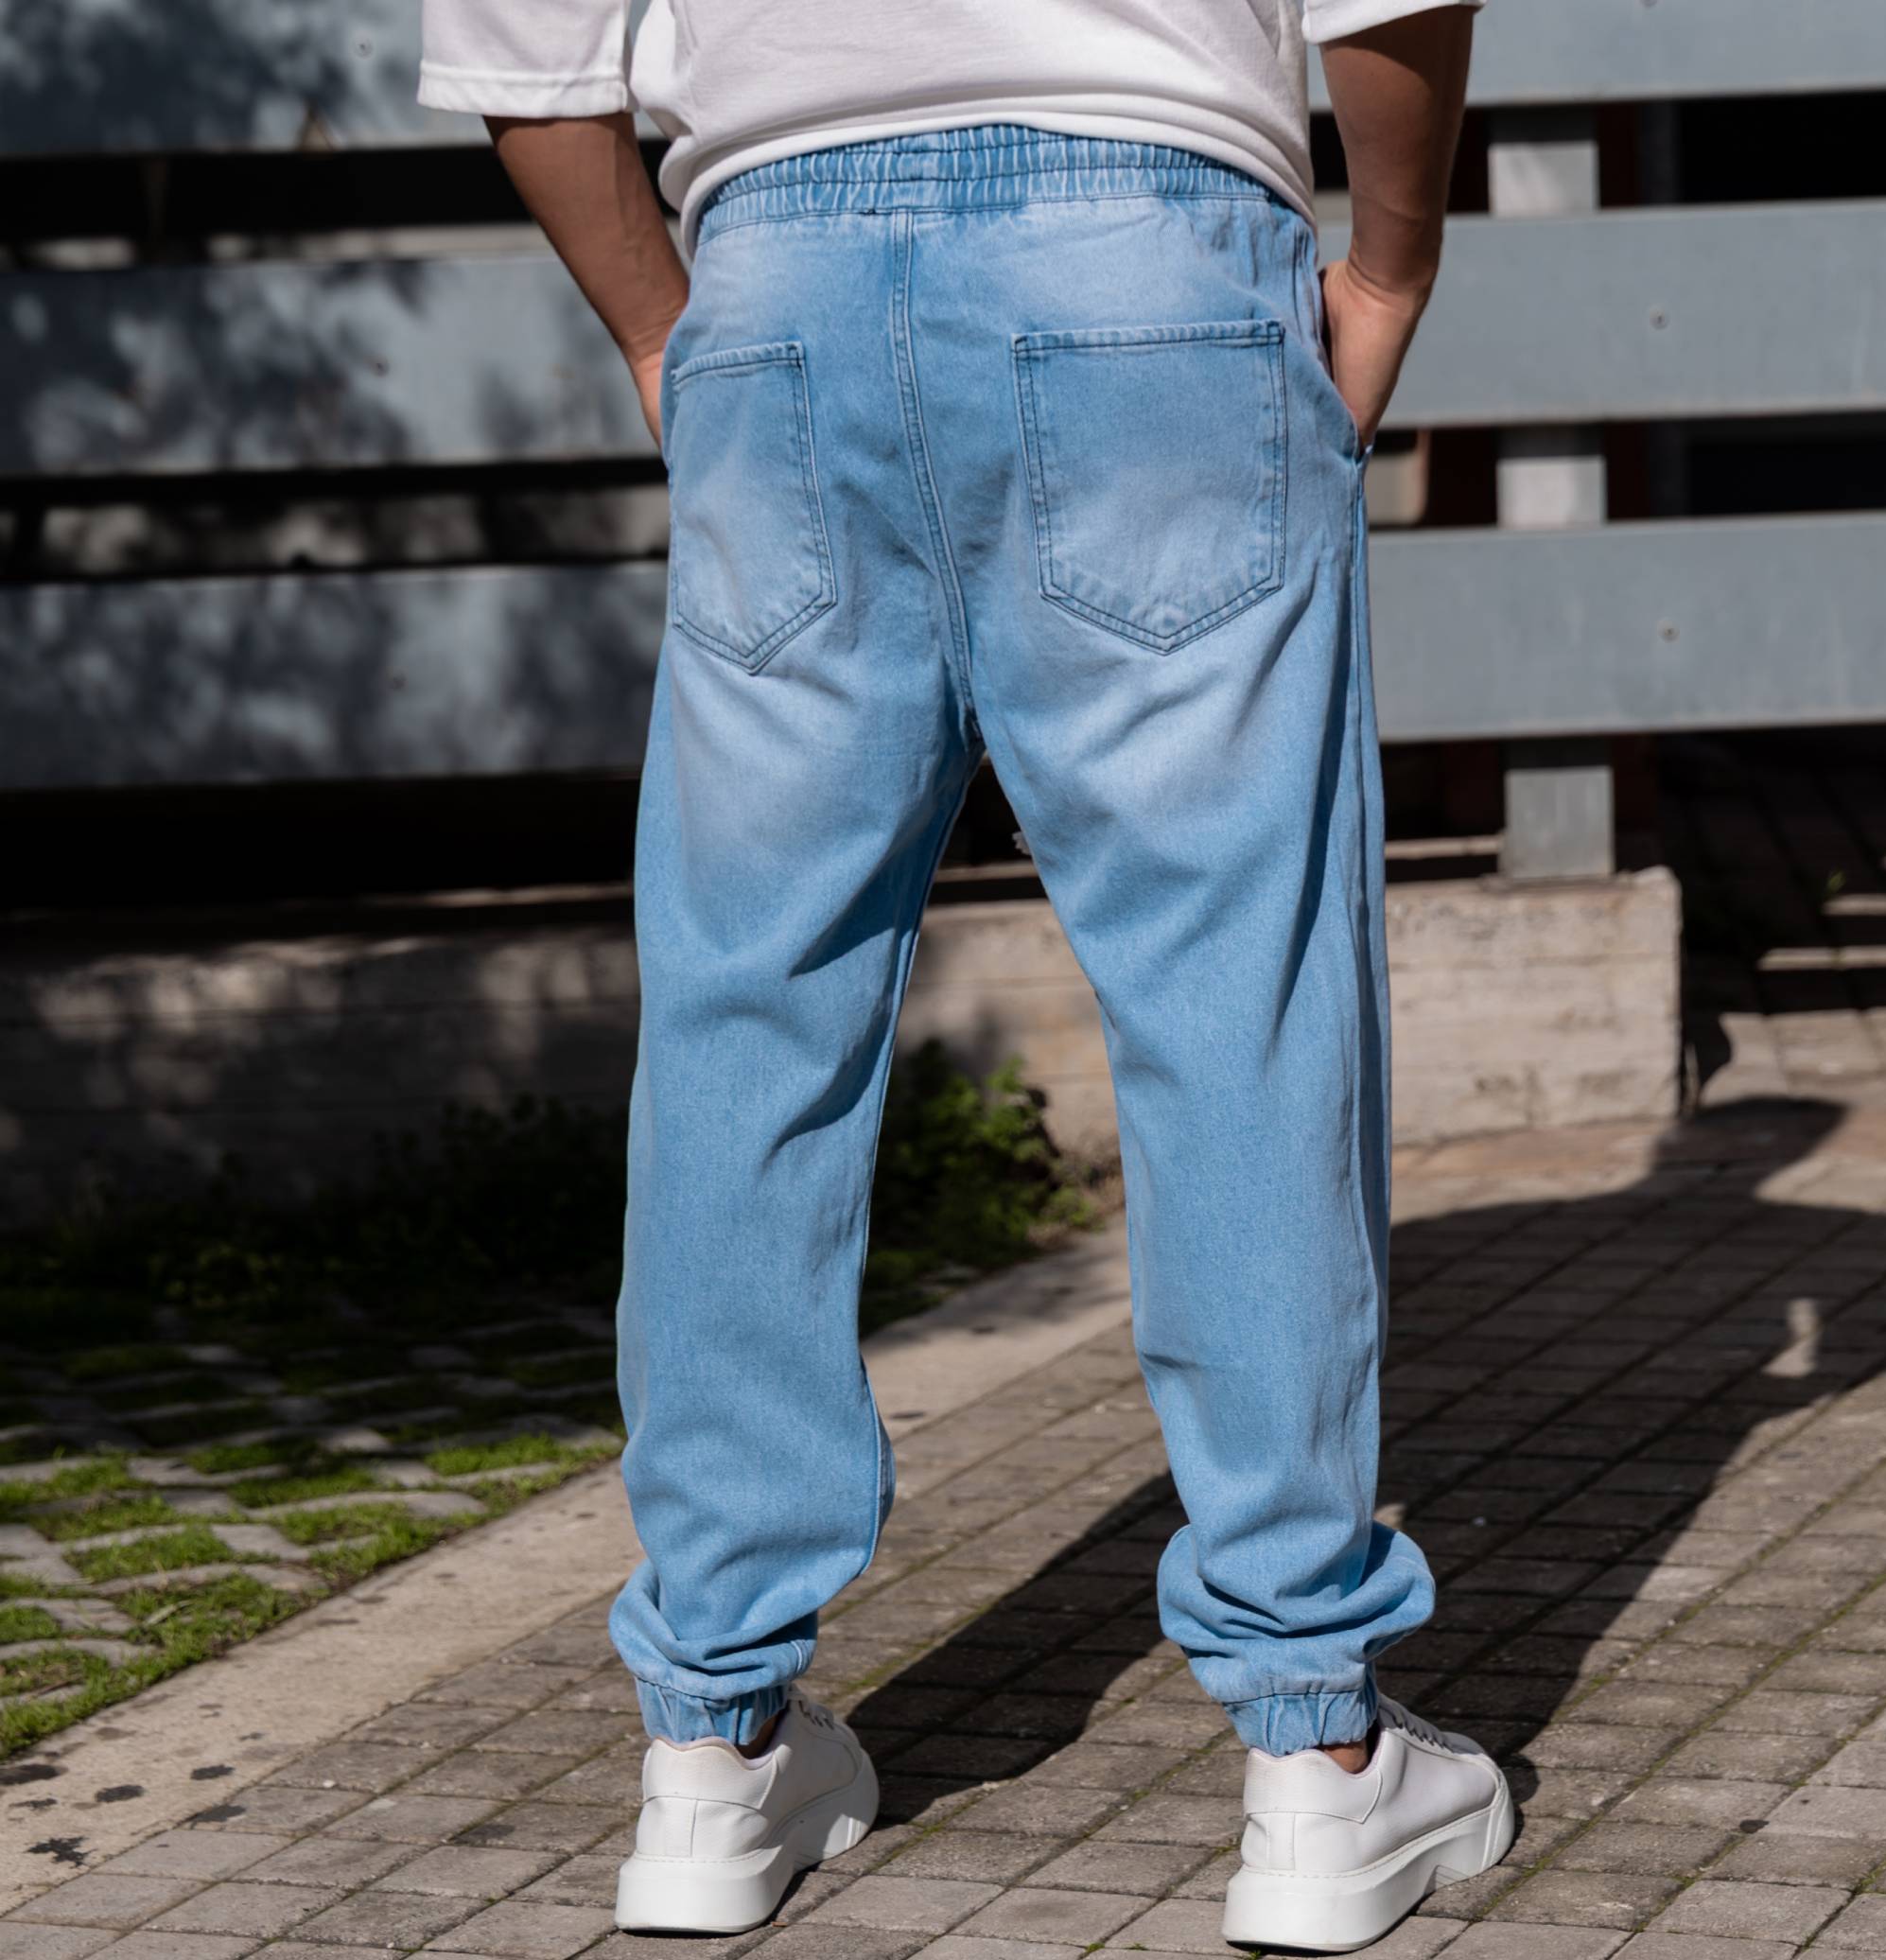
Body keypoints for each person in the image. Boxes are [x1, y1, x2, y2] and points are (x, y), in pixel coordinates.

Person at [417, 1, 1506, 1947]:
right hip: (1146, 267)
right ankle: (1319, 1759)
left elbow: (525, 46)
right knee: (1234, 1001)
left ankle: (713, 1752)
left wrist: (668, 331)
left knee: (751, 1015)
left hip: (777, 279)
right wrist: (1395, 265)